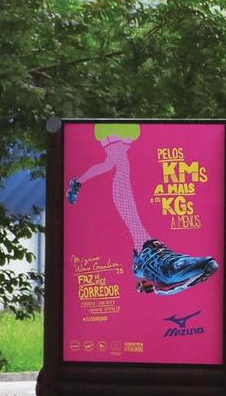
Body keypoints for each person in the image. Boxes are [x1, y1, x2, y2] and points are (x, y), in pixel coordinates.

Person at [67, 125, 217, 295]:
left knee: (115, 162)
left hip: (129, 121)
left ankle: (145, 256)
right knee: (120, 161)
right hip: (115, 119)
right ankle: (146, 254)